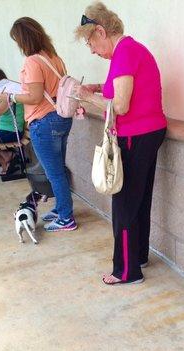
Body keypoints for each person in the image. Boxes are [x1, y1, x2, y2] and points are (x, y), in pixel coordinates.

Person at [75, 2, 167, 285]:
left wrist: (87, 98)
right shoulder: (128, 51)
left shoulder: (125, 52)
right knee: (138, 200)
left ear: (101, 31)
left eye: (90, 41)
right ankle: (137, 256)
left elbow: (122, 105)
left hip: (136, 135)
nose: (91, 49)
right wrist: (97, 88)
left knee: (125, 203)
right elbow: (122, 88)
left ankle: (126, 271)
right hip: (148, 132)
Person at [2, 17, 77, 232]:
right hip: (62, 117)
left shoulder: (32, 62)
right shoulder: (54, 58)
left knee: (54, 172)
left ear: (23, 39)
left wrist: (13, 97)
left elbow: (34, 97)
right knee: (57, 169)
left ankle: (66, 217)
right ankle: (62, 207)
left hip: (44, 121)